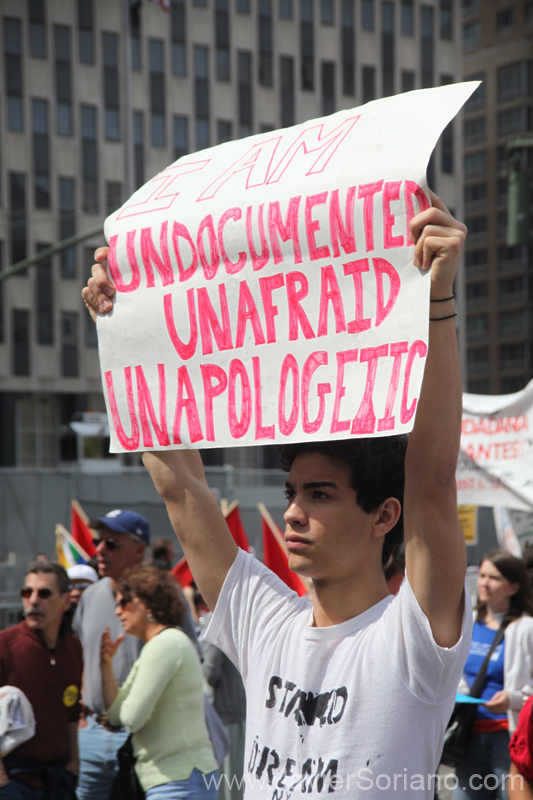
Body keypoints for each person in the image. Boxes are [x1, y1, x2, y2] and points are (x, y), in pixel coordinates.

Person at [84, 195, 470, 798]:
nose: (293, 511)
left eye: (321, 495)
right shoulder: (265, 622)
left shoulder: (412, 642)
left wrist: (438, 300)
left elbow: (431, 479)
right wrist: (124, 327)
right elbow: (181, 488)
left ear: (383, 515)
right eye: (293, 492)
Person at [100, 565, 218, 798]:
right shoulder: (160, 644)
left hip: (180, 780)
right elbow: (114, 714)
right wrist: (105, 664)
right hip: (179, 779)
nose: (117, 611)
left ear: (148, 603)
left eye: (124, 602)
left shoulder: (165, 644)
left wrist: (123, 710)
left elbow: (130, 718)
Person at [72, 510, 150, 800]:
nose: (100, 550)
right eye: (99, 541)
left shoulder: (163, 597)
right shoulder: (91, 595)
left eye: (112, 543)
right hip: (91, 734)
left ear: (139, 550)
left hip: (142, 737)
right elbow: (82, 654)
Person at [454, 551, 533, 800]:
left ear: (513, 587)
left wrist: (511, 699)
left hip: (507, 737)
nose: (485, 583)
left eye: (495, 577)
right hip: (467, 734)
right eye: (482, 575)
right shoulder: (466, 623)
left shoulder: (526, 628)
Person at [0, 560, 82, 800]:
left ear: (66, 601)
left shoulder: (74, 647)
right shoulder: (5, 646)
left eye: (44, 593)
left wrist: (74, 764)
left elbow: (72, 712)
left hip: (57, 780)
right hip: (13, 781)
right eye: (27, 592)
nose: (33, 600)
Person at [202, 631, 246, 800]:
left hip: (226, 716)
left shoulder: (216, 623)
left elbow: (210, 673)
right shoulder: (231, 618)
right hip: (236, 712)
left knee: (228, 787)